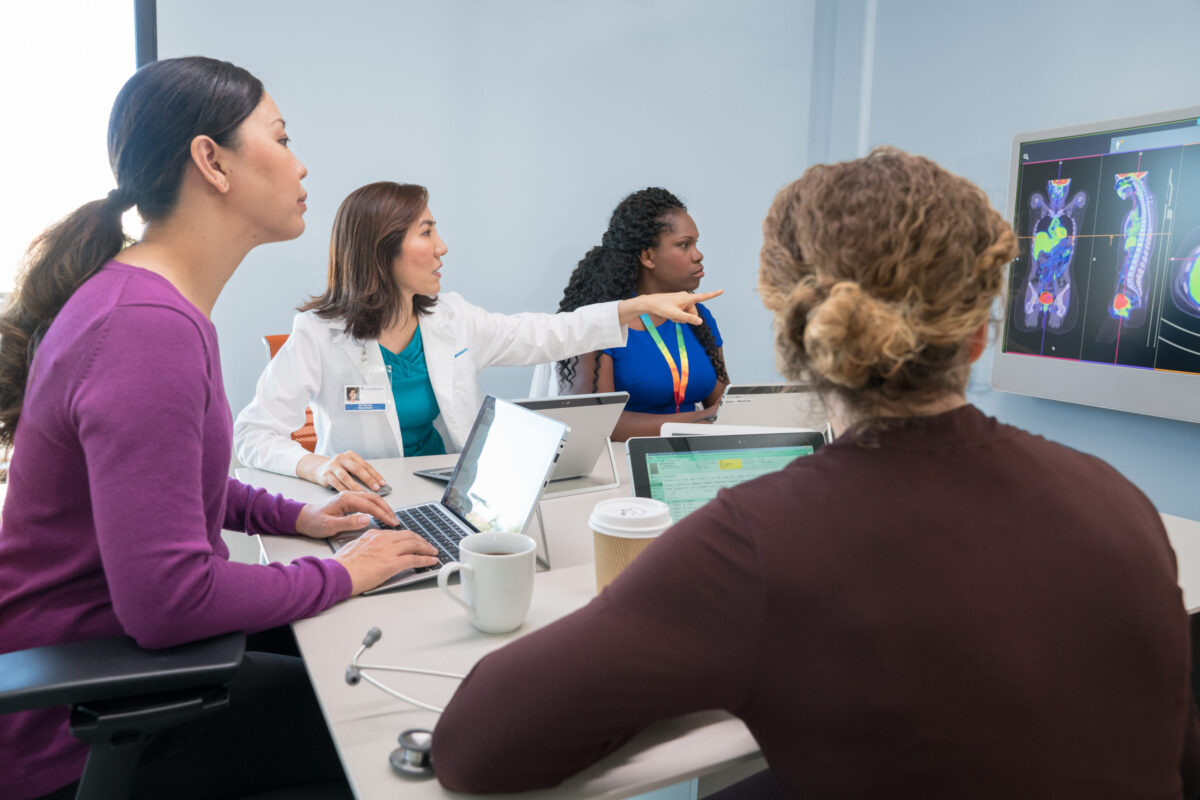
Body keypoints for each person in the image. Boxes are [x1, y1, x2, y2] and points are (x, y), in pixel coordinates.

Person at [431, 148, 1200, 797]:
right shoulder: (1121, 503)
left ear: (793, 326)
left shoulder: (754, 546)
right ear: (977, 330)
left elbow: (473, 747)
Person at [0, 57, 441, 800]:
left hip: (114, 666)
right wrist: (341, 572)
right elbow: (169, 600)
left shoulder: (148, 304)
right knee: (379, 728)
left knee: (352, 652)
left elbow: (170, 485)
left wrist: (296, 515)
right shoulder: (145, 329)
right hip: (84, 721)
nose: (301, 165)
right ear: (212, 161)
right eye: (280, 137)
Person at [233, 181, 720, 492]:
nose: (442, 247)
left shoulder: (452, 317)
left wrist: (633, 306)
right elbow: (252, 434)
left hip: (455, 495)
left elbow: (545, 334)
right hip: (370, 504)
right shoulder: (320, 335)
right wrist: (315, 467)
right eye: (426, 233)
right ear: (383, 251)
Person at [553, 187, 728, 441]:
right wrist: (699, 420)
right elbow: (600, 423)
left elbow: (723, 405)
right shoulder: (601, 322)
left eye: (696, 243)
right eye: (684, 244)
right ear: (648, 256)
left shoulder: (698, 316)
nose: (698, 255)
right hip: (625, 463)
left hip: (693, 457)